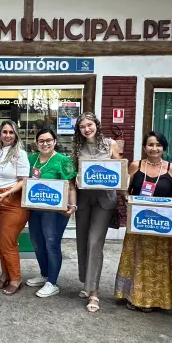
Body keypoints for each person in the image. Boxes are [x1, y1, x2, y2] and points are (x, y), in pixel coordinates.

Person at [114, 131, 172, 312]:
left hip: (162, 225)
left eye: (158, 145)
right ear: (144, 147)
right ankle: (135, 297)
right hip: (139, 222)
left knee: (158, 262)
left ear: (163, 148)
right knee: (137, 259)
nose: (154, 148)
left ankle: (156, 299)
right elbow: (124, 190)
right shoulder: (135, 166)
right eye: (150, 144)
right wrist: (127, 199)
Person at [72, 112, 121, 312]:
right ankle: (87, 282)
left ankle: (94, 292)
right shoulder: (77, 148)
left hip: (104, 200)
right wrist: (75, 179)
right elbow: (72, 174)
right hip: (84, 199)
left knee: (94, 242)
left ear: (97, 125)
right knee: (82, 241)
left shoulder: (110, 144)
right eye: (82, 127)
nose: (87, 129)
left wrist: (126, 194)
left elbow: (120, 170)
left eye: (89, 125)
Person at [25, 128, 77, 298]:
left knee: (51, 244)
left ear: (55, 141)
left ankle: (52, 282)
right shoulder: (31, 158)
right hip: (35, 209)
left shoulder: (63, 160)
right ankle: (44, 274)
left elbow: (71, 186)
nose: (45, 143)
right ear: (37, 143)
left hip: (54, 212)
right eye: (41, 141)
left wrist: (73, 206)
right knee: (37, 243)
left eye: (48, 140)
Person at [0, 120, 30, 295]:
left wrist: (5, 194)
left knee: (8, 242)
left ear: (16, 134)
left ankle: (16, 278)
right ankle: (5, 274)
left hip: (12, 201)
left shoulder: (20, 153)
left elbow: (23, 181)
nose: (8, 135)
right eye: (4, 132)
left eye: (11, 132)